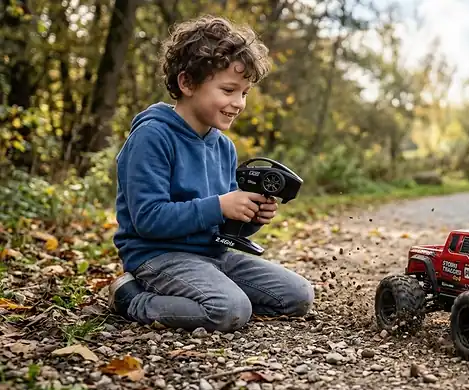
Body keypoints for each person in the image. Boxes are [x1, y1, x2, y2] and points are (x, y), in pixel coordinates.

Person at [107, 15, 314, 332]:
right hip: (159, 256)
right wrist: (219, 204)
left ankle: (207, 292)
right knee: (229, 310)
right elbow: (148, 219)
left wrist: (250, 216)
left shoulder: (224, 147)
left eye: (244, 93)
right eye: (229, 90)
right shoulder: (152, 137)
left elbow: (224, 228)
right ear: (187, 83)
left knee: (298, 296)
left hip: (213, 255)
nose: (238, 103)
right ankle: (132, 300)